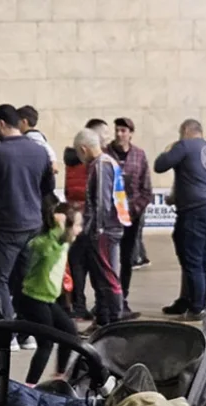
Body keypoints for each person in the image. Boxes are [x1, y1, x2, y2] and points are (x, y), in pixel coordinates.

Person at [0, 104, 56, 344]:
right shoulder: (39, 151)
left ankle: (6, 333)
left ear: (1, 124)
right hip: (34, 223)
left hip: (7, 226)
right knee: (25, 282)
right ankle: (27, 333)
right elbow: (48, 187)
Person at [154, 118, 206, 321]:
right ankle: (200, 304)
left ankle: (196, 308)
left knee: (193, 262)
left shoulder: (184, 145)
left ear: (186, 131)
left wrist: (169, 150)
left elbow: (160, 165)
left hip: (194, 212)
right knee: (205, 262)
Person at [20, 199, 81, 385]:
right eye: (77, 225)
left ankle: (59, 376)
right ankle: (30, 385)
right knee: (46, 343)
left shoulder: (63, 244)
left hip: (47, 300)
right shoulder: (43, 243)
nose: (79, 230)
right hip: (33, 300)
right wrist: (57, 227)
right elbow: (43, 248)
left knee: (70, 333)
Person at [75, 128, 126, 329]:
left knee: (108, 275)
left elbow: (101, 203)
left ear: (83, 149)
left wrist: (96, 230)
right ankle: (104, 318)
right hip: (106, 228)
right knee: (101, 276)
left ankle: (115, 319)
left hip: (105, 230)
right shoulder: (105, 163)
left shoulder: (101, 166)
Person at [65, 118, 112, 320]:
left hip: (79, 218)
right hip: (89, 222)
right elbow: (99, 200)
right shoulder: (97, 163)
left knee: (78, 264)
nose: (106, 140)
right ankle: (102, 310)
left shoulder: (76, 160)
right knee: (95, 267)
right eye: (103, 136)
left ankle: (81, 305)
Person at [108, 116, 154, 317]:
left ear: (131, 134)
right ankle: (107, 299)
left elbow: (146, 189)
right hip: (109, 217)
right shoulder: (105, 154)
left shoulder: (139, 155)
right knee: (107, 259)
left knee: (126, 259)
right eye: (117, 130)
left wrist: (133, 210)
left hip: (131, 217)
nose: (119, 134)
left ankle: (122, 298)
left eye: (123, 131)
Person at [17, 105, 58, 173]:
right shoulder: (32, 135)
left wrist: (53, 162)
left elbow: (46, 148)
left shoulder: (32, 135)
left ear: (24, 122)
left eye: (17, 121)